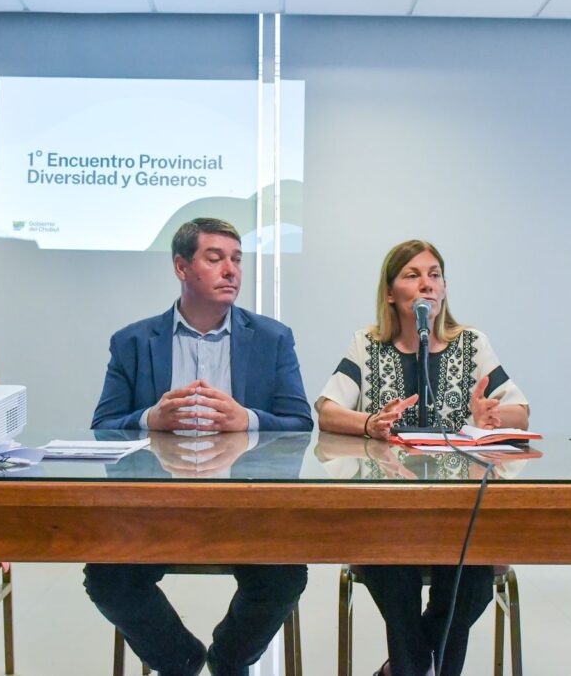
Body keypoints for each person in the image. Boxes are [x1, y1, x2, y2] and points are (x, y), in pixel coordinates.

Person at [85, 217, 313, 676]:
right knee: (108, 578)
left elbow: (300, 424)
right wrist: (150, 419)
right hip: (157, 507)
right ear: (181, 267)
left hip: (247, 505)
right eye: (215, 258)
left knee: (285, 576)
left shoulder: (273, 339)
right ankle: (182, 661)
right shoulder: (133, 342)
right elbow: (103, 427)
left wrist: (247, 420)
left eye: (237, 260)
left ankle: (228, 659)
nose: (231, 270)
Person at [316, 239, 529, 676]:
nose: (426, 284)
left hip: (459, 511)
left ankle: (402, 669)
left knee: (470, 583)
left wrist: (488, 415)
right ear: (390, 293)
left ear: (445, 289)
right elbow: (327, 410)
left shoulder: (471, 344)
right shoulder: (367, 344)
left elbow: (520, 412)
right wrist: (369, 422)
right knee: (394, 576)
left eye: (434, 275)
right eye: (412, 275)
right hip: (386, 511)